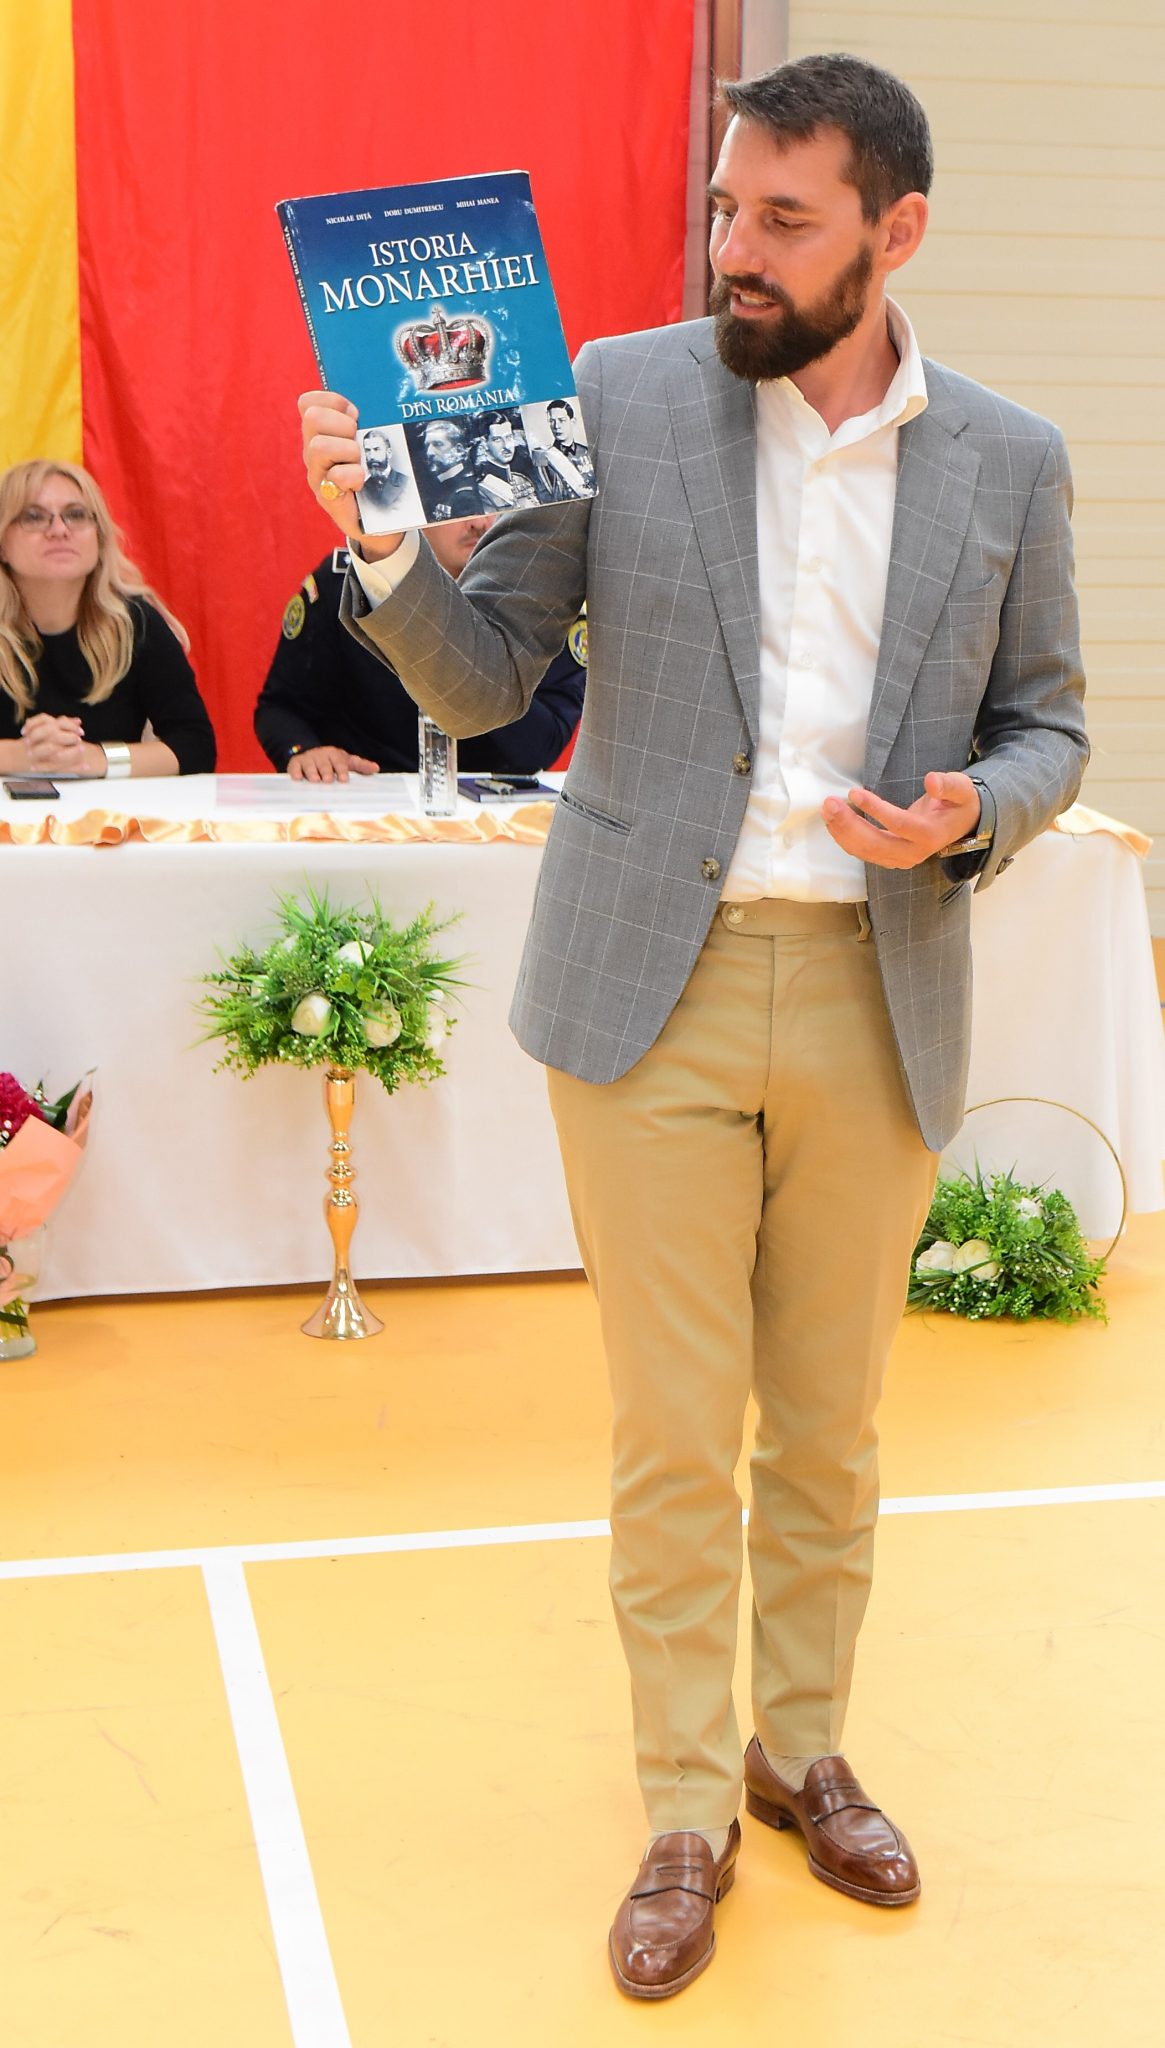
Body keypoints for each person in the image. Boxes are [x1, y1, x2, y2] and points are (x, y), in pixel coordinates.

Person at [300, 52, 1087, 2000]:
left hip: (877, 985)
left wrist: (972, 809)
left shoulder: (1011, 456)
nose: (737, 248)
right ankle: (679, 1805)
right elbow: (487, 679)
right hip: (647, 988)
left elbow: (1051, 721)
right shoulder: (617, 393)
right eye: (726, 208)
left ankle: (799, 1750)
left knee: (828, 1425)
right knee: (675, 1434)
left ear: (897, 233)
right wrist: (384, 542)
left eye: (785, 220)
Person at [254, 515, 585, 780]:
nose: (479, 523)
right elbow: (281, 708)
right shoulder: (352, 583)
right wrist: (305, 751)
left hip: (486, 809)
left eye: (495, 506)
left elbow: (541, 747)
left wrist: (471, 646)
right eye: (460, 506)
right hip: (371, 798)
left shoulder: (547, 601)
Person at [0, 459, 215, 780]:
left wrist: (96, 758)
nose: (59, 530)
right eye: (34, 517)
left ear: (99, 539)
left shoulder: (136, 623)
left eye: (76, 515)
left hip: (109, 811)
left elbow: (195, 747)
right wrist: (18, 755)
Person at [405, 418, 486, 523]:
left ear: (458, 450)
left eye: (438, 444)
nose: (429, 453)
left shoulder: (465, 494)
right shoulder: (436, 486)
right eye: (427, 446)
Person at [473, 411, 545, 511]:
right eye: (497, 440)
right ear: (484, 443)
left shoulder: (521, 479)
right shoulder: (482, 487)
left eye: (509, 437)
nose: (506, 446)